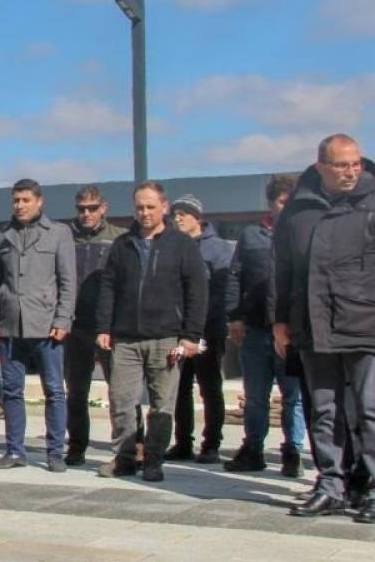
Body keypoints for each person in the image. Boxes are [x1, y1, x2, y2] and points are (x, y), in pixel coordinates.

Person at [275, 134, 375, 521]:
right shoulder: (298, 210)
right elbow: (283, 269)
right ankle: (331, 486)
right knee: (324, 411)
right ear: (321, 167)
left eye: (356, 164)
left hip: (365, 323)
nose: (351, 172)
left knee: (369, 409)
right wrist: (280, 320)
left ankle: (371, 487)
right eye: (341, 165)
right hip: (313, 325)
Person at [95, 181, 207, 482]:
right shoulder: (122, 244)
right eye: (139, 207)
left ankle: (154, 460)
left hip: (166, 338)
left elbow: (197, 290)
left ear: (164, 207)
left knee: (161, 405)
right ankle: (126, 458)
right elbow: (108, 286)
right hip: (126, 339)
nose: (144, 213)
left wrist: (191, 335)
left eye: (150, 207)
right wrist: (104, 326)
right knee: (121, 401)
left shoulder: (181, 244)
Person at [0, 179, 76, 472]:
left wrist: (63, 319)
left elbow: (68, 282)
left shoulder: (59, 233)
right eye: (16, 200)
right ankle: (14, 451)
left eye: (25, 200)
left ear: (39, 201)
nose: (20, 205)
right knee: (12, 391)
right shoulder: (4, 235)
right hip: (10, 326)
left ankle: (55, 452)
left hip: (46, 326)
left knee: (54, 391)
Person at [225, 174, 306, 477]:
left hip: (291, 332)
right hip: (256, 329)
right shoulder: (251, 236)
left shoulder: (304, 234)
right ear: (271, 203)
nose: (287, 206)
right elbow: (235, 277)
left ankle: (292, 451)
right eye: (282, 201)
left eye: (292, 201)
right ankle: (253, 449)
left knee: (293, 396)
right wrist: (234, 316)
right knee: (256, 395)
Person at [167, 194, 237, 464]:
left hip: (208, 329)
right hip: (177, 330)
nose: (177, 219)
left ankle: (211, 445)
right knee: (179, 388)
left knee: (209, 387)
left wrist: (210, 324)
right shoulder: (173, 245)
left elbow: (222, 289)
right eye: (175, 214)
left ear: (197, 217)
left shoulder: (218, 249)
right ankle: (183, 442)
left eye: (183, 214)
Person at [64, 186, 128, 465]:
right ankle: (76, 446)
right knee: (76, 392)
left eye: (92, 208)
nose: (86, 214)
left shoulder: (120, 238)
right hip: (74, 325)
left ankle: (129, 447)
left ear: (104, 208)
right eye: (81, 209)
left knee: (121, 391)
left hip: (109, 327)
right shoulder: (65, 236)